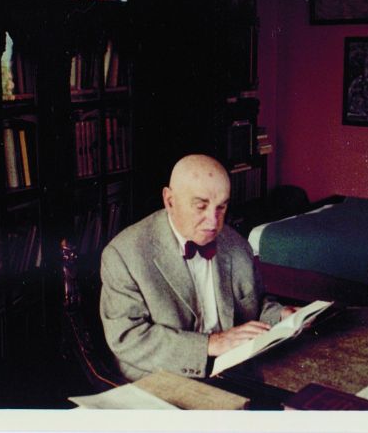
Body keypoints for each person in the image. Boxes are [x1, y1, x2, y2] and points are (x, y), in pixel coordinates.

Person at [100, 154, 296, 381]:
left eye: (221, 207)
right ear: (169, 200)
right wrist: (211, 344)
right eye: (201, 206)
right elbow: (127, 338)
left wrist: (280, 315)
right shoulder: (124, 254)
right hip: (160, 373)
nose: (213, 222)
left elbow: (255, 303)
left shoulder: (237, 244)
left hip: (231, 366)